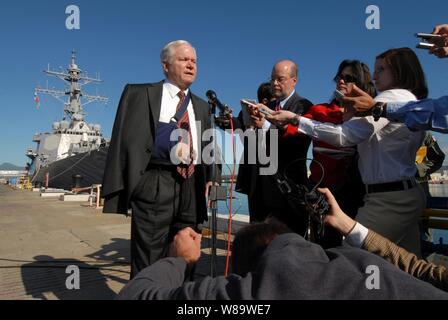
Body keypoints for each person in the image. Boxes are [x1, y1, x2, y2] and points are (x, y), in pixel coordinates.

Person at [266, 48, 427, 256]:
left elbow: (344, 136)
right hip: (404, 194)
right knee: (406, 268)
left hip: (387, 200)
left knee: (348, 261)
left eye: (381, 69)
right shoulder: (408, 99)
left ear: (399, 71)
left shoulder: (391, 98)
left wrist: (295, 119)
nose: (375, 75)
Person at [102, 40, 219, 278]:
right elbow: (123, 139)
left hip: (192, 186)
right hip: (154, 182)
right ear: (165, 66)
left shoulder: (202, 106)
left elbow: (207, 142)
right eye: (183, 60)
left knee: (188, 252)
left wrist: (211, 175)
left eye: (194, 61)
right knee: (149, 255)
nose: (191, 65)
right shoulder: (139, 93)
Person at [116, 219, 448, 300]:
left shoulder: (264, 289)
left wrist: (181, 261)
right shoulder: (354, 263)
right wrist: (350, 226)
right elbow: (424, 271)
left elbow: (137, 295)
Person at [278, 60, 375, 247]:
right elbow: (290, 129)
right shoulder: (319, 110)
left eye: (349, 78)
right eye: (339, 76)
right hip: (322, 191)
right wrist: (269, 120)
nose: (341, 81)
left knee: (358, 249)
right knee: (325, 244)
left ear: (362, 83)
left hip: (358, 193)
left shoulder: (369, 115)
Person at [319, 187, 448, 292]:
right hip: (401, 195)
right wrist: (345, 224)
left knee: (346, 262)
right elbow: (420, 272)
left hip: (391, 196)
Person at [339, 24, 448, 133]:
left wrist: (377, 108)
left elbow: (346, 135)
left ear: (400, 71)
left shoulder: (392, 95)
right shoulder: (407, 97)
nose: (374, 77)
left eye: (381, 69)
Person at [246, 60, 313, 229]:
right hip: (260, 191)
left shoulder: (304, 107)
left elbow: (297, 143)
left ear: (294, 80)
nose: (274, 83)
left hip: (287, 191)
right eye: (272, 78)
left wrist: (266, 126)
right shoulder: (265, 106)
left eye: (280, 79)